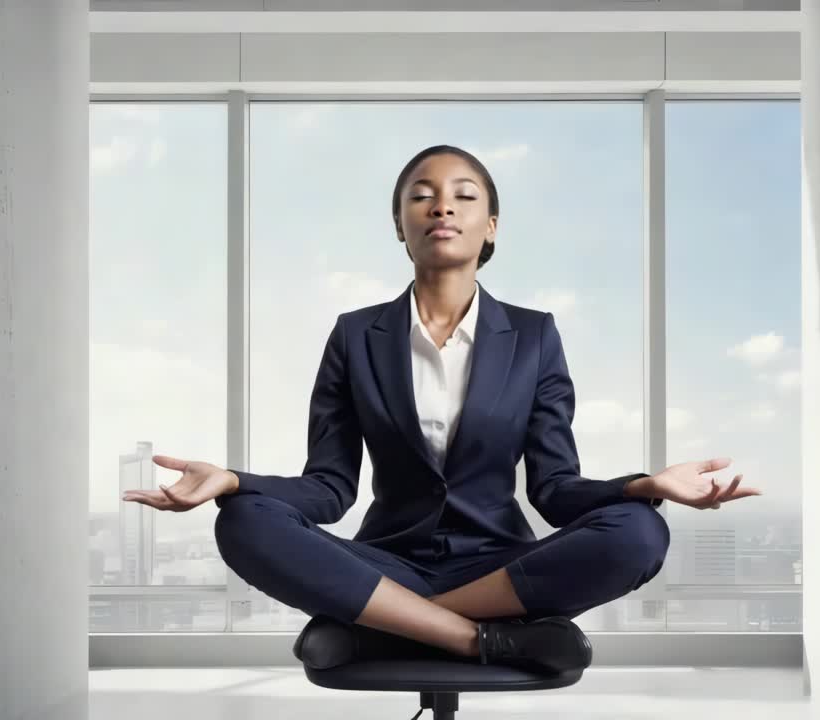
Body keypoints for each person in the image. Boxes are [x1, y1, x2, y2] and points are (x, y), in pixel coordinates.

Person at [122, 144, 762, 674]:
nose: (442, 204)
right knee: (242, 521)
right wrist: (233, 482)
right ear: (400, 223)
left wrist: (646, 485)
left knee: (642, 530)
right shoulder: (355, 335)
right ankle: (477, 638)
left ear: (491, 225)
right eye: (421, 194)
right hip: (387, 560)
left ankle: (386, 627)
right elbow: (329, 489)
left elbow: (557, 490)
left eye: (464, 194)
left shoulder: (534, 336)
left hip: (499, 564)